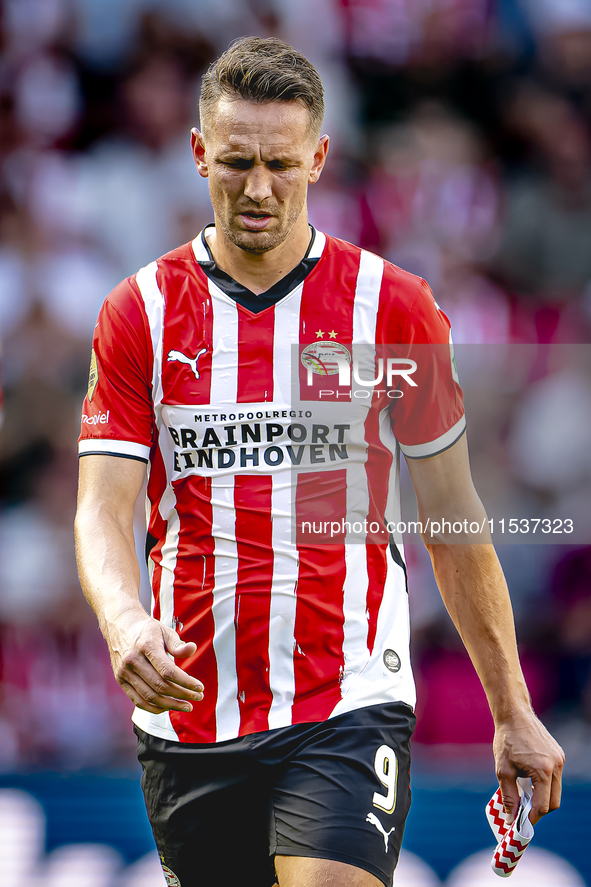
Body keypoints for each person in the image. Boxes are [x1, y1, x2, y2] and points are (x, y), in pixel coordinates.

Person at [74, 36, 564, 887]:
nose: (257, 188)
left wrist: (511, 707)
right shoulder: (140, 314)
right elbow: (102, 510)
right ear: (197, 154)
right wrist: (122, 619)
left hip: (347, 697)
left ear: (318, 159)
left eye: (279, 163)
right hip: (194, 709)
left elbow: (452, 519)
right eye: (234, 163)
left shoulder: (393, 307)